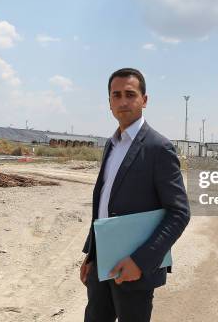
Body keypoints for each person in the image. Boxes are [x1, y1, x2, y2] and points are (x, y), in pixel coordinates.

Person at [80, 68, 190, 322]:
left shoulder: (158, 148)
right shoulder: (111, 144)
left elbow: (179, 213)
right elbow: (104, 204)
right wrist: (92, 256)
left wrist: (140, 261)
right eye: (116, 95)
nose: (123, 101)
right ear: (109, 102)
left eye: (130, 94)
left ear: (144, 100)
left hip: (135, 270)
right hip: (102, 265)